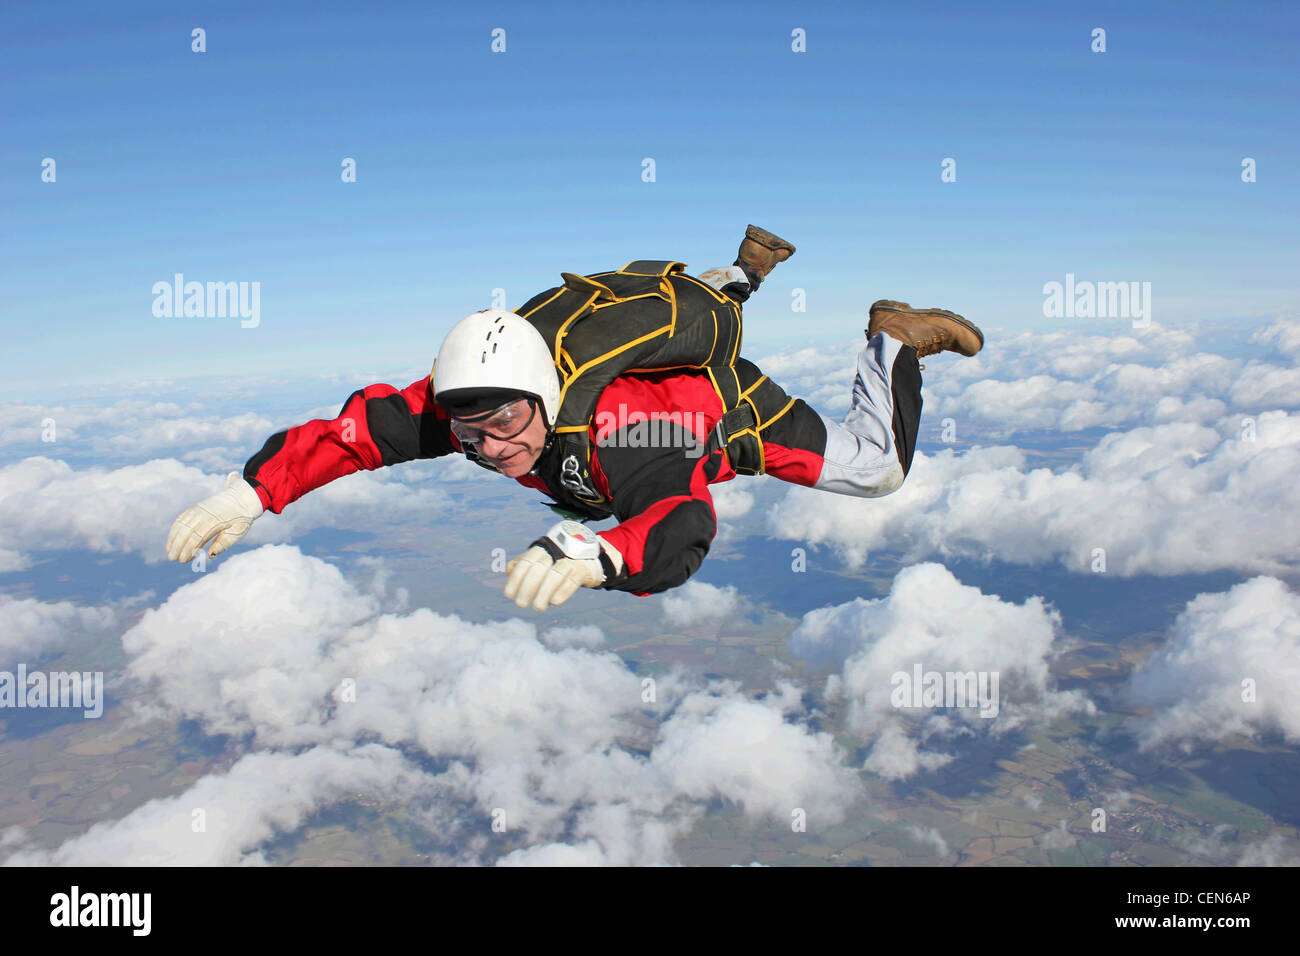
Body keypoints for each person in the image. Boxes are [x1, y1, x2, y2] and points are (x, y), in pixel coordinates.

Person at [165, 228, 983, 611]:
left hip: (727, 415)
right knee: (695, 309)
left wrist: (603, 553)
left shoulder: (623, 426)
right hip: (637, 398)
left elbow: (678, 514)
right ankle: (736, 270)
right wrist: (252, 493)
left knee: (877, 470)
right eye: (472, 433)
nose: (494, 448)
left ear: (547, 399)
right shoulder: (464, 403)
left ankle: (890, 338)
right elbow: (351, 436)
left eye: (510, 423)